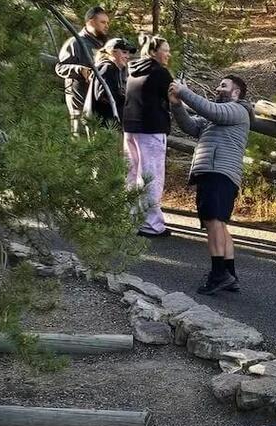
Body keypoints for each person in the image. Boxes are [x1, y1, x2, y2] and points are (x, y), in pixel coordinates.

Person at [169, 75, 250, 294]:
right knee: (220, 224)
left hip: (218, 173)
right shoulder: (215, 118)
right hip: (215, 173)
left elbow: (211, 110)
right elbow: (190, 127)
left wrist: (184, 91)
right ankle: (230, 275)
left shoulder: (238, 110)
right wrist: (176, 105)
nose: (218, 88)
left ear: (236, 93)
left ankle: (217, 275)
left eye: (224, 86)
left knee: (213, 222)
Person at [122, 34, 173, 238]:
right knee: (152, 176)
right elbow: (173, 97)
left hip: (131, 126)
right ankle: (152, 223)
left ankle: (131, 216)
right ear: (153, 52)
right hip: (151, 128)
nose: (168, 54)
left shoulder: (133, 70)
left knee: (133, 174)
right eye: (165, 50)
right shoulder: (160, 73)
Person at [55, 6, 109, 135]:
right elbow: (60, 67)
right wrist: (79, 69)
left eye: (107, 23)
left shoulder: (103, 45)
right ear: (90, 22)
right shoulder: (75, 42)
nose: (106, 26)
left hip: (98, 106)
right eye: (103, 22)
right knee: (81, 145)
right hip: (80, 105)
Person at [85, 38, 133, 129]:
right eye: (124, 52)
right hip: (104, 125)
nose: (128, 56)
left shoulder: (117, 70)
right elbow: (104, 96)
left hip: (110, 124)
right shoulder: (107, 68)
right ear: (112, 52)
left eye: (128, 53)